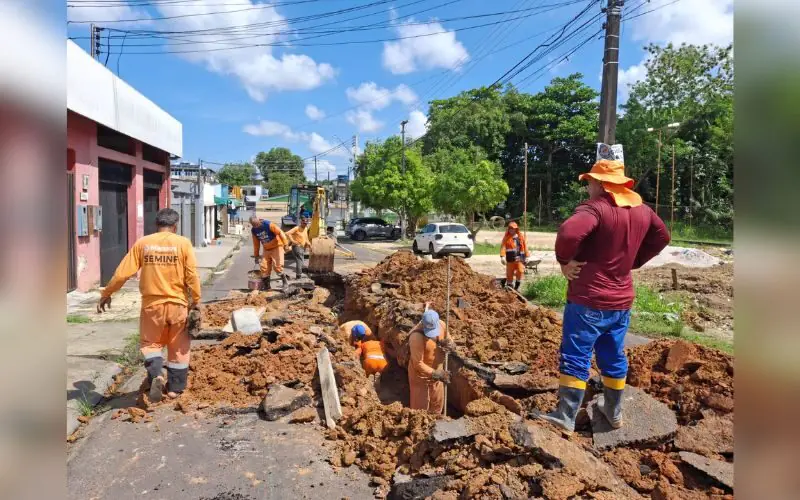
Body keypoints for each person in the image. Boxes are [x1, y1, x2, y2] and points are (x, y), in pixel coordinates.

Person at [538, 159, 670, 435]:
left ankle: (565, 415)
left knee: (576, 354)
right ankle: (613, 411)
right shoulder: (642, 211)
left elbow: (569, 232)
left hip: (589, 299)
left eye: (590, 182)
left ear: (600, 183)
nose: (588, 187)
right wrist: (635, 260)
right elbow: (662, 237)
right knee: (612, 354)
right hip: (621, 302)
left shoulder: (597, 209)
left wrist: (565, 259)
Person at [96, 208, 201, 402]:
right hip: (178, 304)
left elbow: (122, 274)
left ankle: (157, 374)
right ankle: (174, 390)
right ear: (175, 226)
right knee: (179, 346)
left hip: (152, 306)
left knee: (150, 344)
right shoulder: (183, 244)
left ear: (156, 225)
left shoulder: (143, 243)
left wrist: (107, 293)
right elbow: (192, 275)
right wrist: (196, 300)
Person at [407, 304, 455, 414]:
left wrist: (450, 344)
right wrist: (436, 374)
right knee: (419, 410)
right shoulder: (416, 337)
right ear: (423, 324)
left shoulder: (442, 324)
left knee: (437, 405)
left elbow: (449, 338)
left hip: (437, 375)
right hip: (420, 377)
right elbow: (418, 364)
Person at [250, 216, 289, 289]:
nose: (256, 227)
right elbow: (256, 244)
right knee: (264, 267)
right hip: (267, 249)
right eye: (254, 225)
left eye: (257, 224)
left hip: (277, 246)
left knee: (278, 266)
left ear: (259, 221)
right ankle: (267, 286)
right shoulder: (254, 230)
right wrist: (256, 256)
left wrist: (286, 244)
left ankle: (285, 282)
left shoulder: (268, 224)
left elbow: (280, 232)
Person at [499, 221, 529, 291]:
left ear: (516, 229)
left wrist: (527, 256)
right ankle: (509, 287)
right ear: (508, 229)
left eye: (513, 228)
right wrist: (502, 256)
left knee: (520, 271)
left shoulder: (521, 237)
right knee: (509, 273)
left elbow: (525, 247)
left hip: (520, 259)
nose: (511, 230)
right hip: (510, 259)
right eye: (510, 228)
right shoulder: (506, 238)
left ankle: (517, 287)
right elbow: (503, 247)